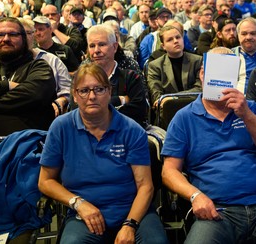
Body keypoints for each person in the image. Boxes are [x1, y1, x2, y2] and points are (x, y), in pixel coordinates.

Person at [161, 47, 256, 244]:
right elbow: (169, 171)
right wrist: (195, 196)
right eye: (214, 71)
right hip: (217, 207)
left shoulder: (251, 109)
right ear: (202, 75)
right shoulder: (184, 117)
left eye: (227, 73)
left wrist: (246, 114)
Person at [38, 63, 168, 244]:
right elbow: (45, 181)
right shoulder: (61, 128)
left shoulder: (131, 130)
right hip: (83, 213)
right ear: (74, 95)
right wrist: (78, 203)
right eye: (84, 91)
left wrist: (130, 225)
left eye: (99, 89)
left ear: (109, 92)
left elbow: (146, 187)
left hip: (133, 211)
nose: (92, 96)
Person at [86, 24, 149, 127]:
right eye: (92, 46)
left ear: (115, 47)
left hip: (126, 134)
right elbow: (78, 112)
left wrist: (96, 109)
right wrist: (119, 100)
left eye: (102, 44)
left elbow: (139, 112)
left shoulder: (131, 77)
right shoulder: (82, 79)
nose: (96, 50)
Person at [146, 24, 202, 107]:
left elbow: (199, 89)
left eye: (178, 37)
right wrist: (170, 101)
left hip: (194, 105)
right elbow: (156, 96)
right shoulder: (155, 66)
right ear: (163, 46)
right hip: (169, 109)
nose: (176, 41)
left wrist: (173, 98)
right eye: (170, 40)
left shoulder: (198, 61)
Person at [231, 18, 256, 93]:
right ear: (238, 36)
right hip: (239, 101)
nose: (248, 37)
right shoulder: (229, 56)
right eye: (244, 34)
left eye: (253, 33)